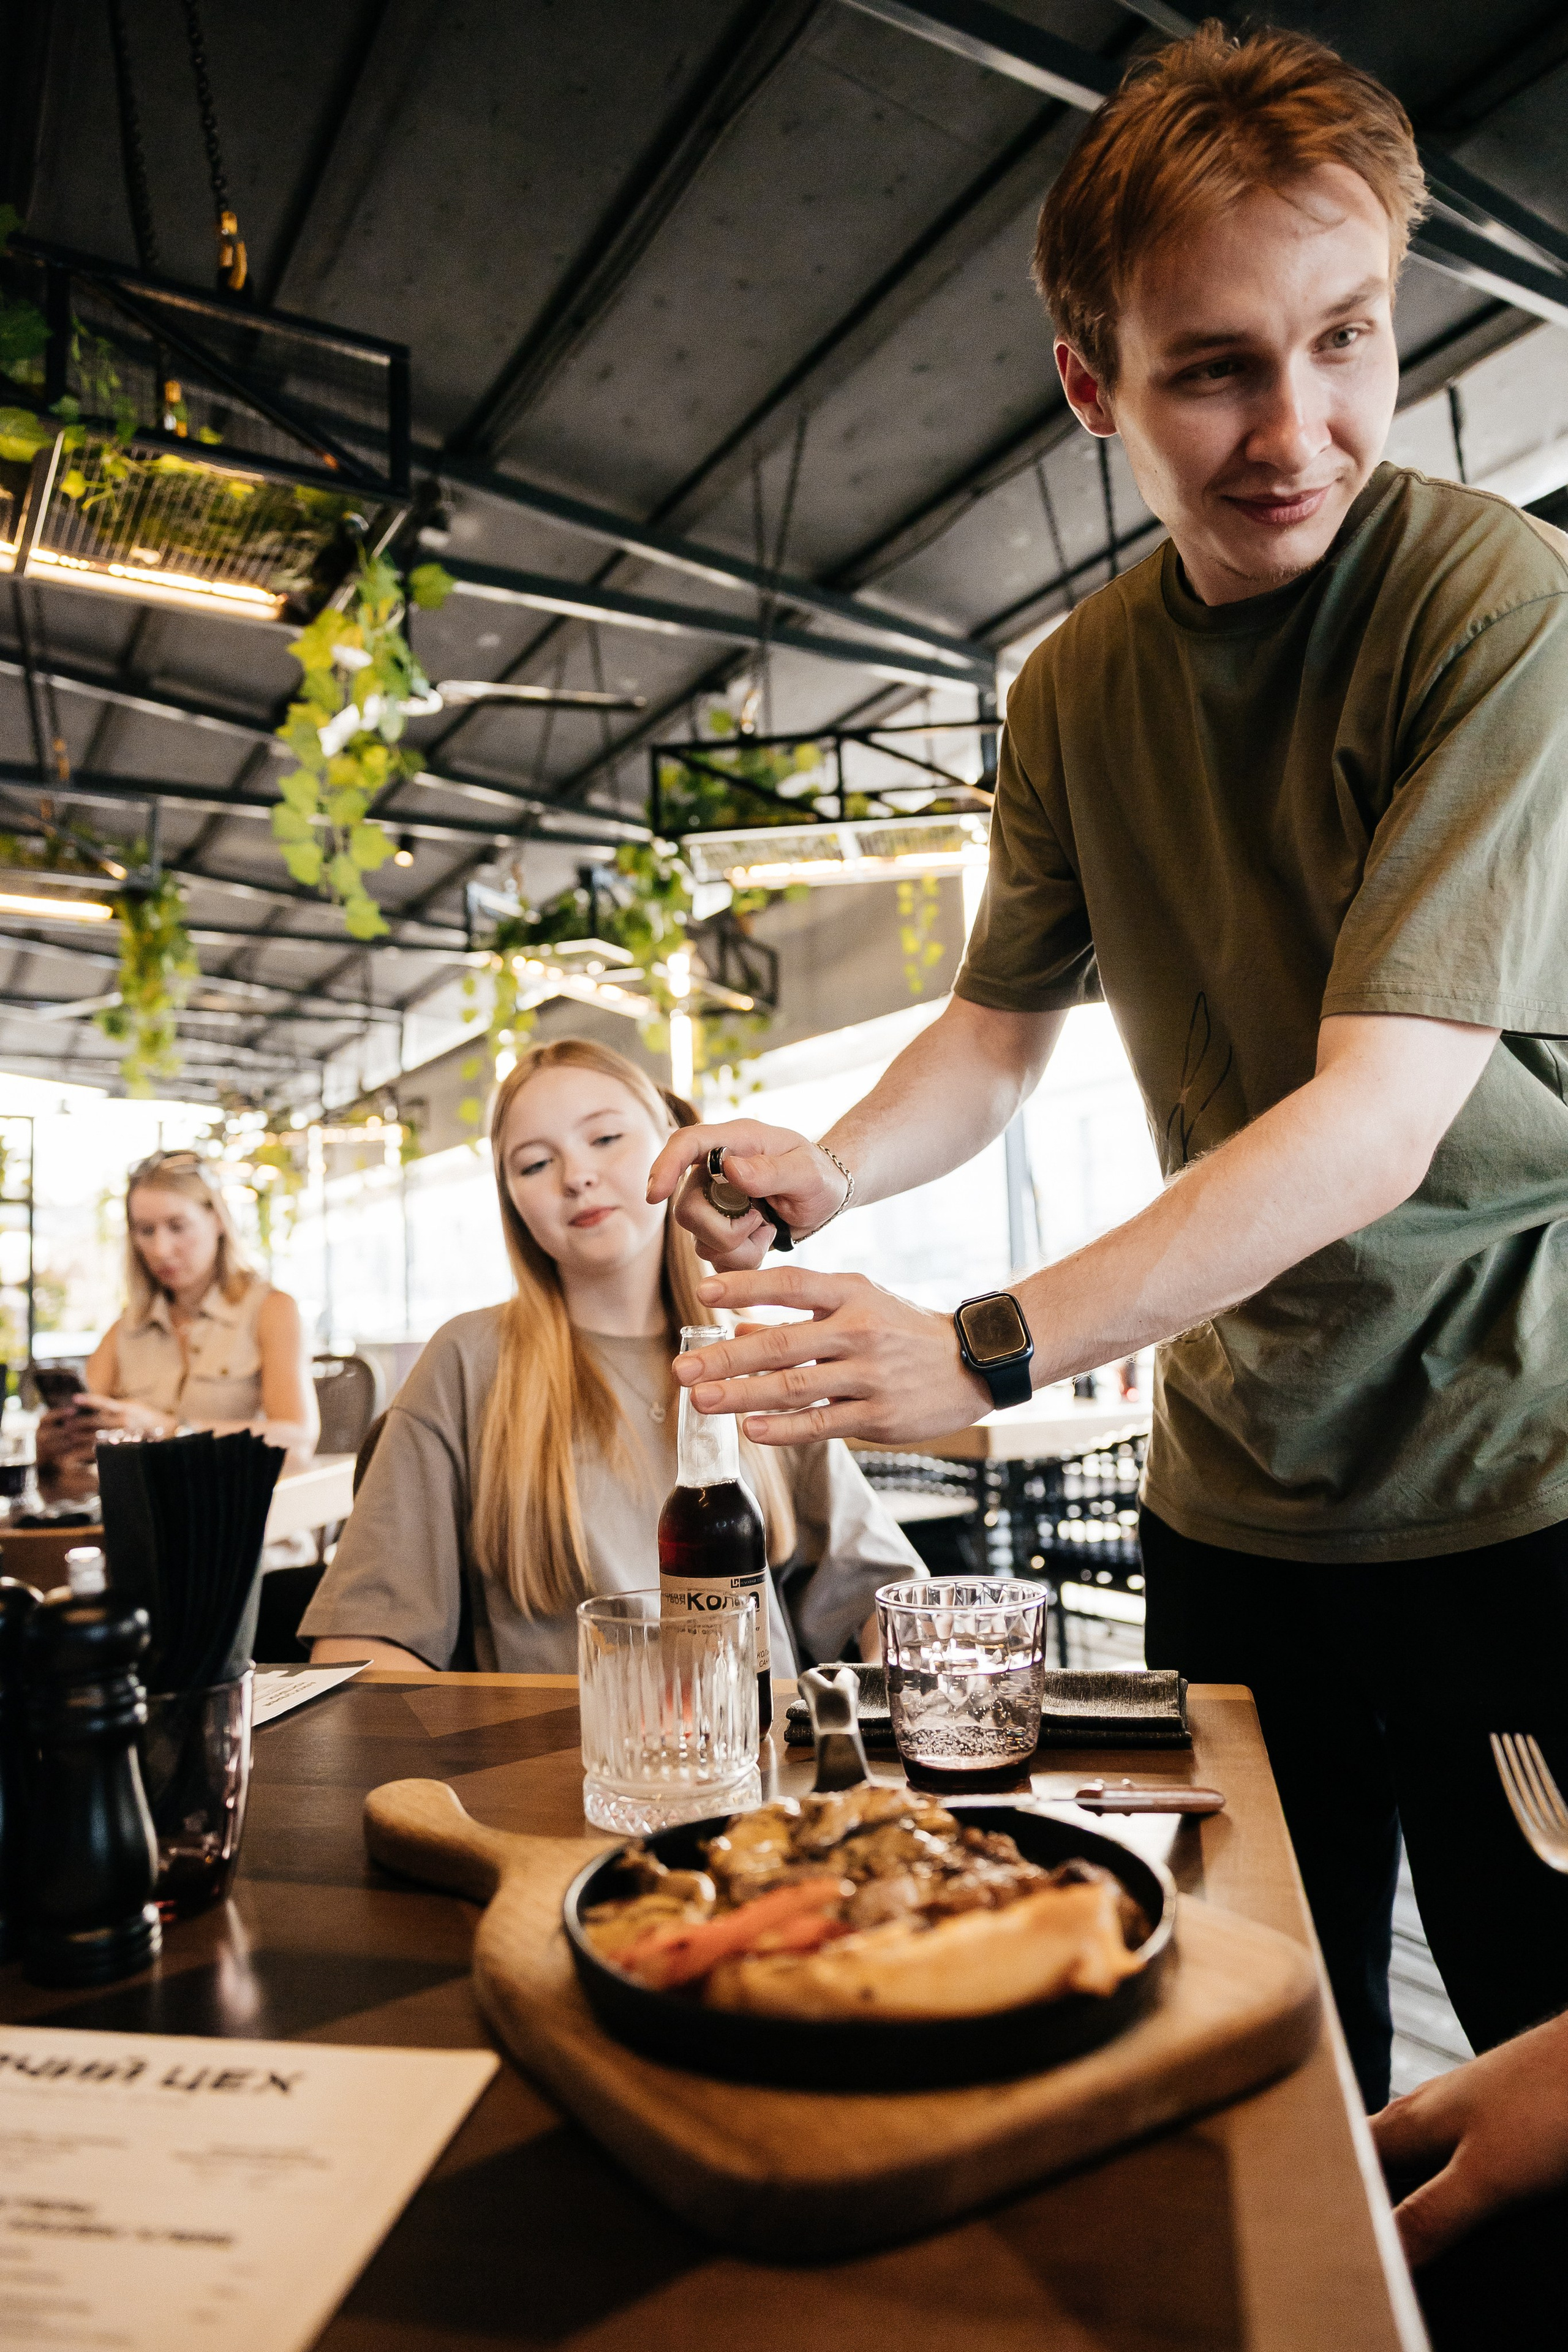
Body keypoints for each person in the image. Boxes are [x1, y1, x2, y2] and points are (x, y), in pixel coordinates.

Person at [647, 21, 1568, 2116]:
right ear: (1094, 387)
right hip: (1237, 1501)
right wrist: (836, 1167)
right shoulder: (1071, 688)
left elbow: (1378, 1116)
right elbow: (993, 1040)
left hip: (1520, 1475)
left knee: (1540, 2059)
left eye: (1344, 339)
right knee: (1251, 2039)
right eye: (1216, 365)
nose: (1300, 425)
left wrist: (984, 1346)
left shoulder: (1491, 604)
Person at [302, 1038, 920, 1675]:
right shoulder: (468, 1362)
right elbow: (363, 1650)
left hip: (761, 1760)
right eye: (535, 1164)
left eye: (604, 1140)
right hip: (567, 1769)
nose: (577, 1176)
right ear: (512, 1202)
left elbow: (887, 1607)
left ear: (676, 1146)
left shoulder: (755, 1360)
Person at [36, 1147, 317, 1494]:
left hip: (247, 1526)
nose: (160, 1250)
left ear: (217, 1220)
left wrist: (169, 1430)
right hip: (150, 1526)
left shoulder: (271, 1311)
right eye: (145, 1231)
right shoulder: (128, 1327)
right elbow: (88, 1438)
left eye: (177, 1226)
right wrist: (55, 1445)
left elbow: (297, 1442)